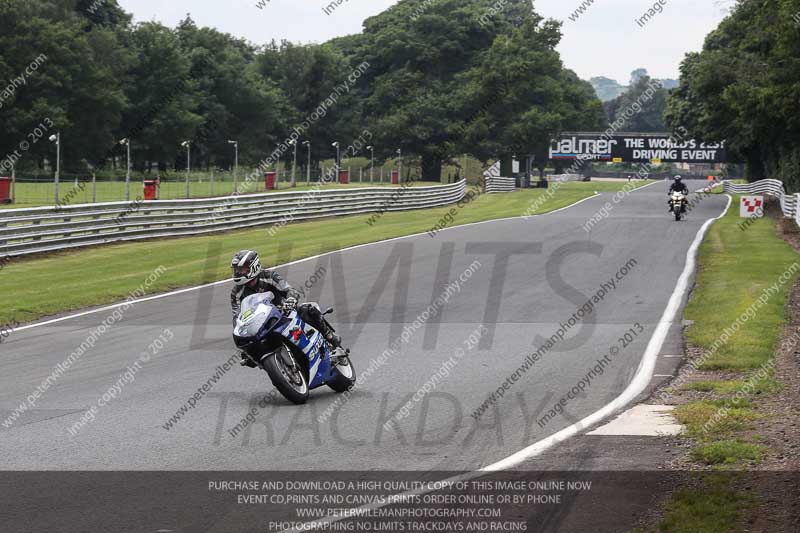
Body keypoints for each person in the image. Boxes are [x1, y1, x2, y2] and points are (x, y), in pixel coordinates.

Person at [230, 250, 343, 367]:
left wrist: (291, 299)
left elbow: (288, 289)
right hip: (260, 325)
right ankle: (279, 369)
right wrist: (240, 332)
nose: (238, 272)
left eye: (242, 269)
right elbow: (237, 317)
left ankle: (329, 336)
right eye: (236, 269)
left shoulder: (269, 276)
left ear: (253, 266)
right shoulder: (236, 293)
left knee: (308, 310)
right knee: (249, 352)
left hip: (283, 312)